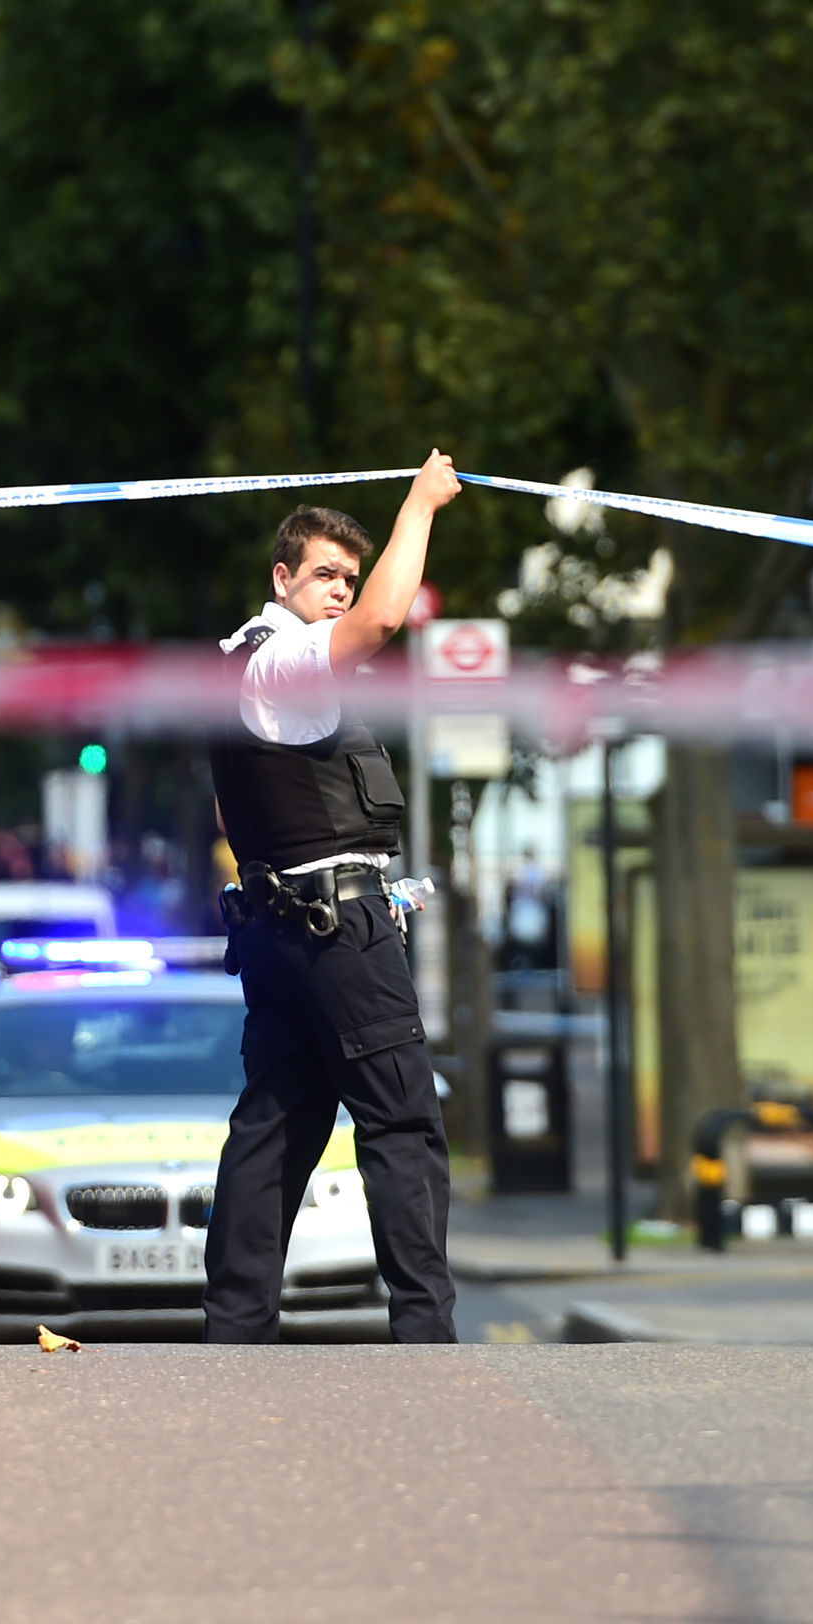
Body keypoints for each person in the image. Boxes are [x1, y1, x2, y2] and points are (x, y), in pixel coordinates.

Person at [200, 451, 463, 1345]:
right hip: (333, 930)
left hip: (283, 930)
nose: (344, 591)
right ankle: (426, 1336)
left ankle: (235, 1330)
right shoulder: (283, 663)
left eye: (349, 577)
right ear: (283, 577)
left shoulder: (239, 660)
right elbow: (390, 616)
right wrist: (420, 504)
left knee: (276, 1125)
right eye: (325, 574)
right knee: (402, 1119)